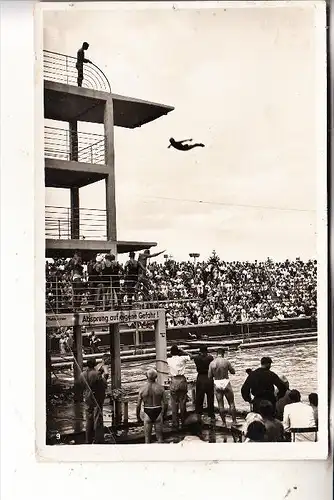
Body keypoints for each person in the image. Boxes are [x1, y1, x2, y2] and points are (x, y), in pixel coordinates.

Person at [79, 358, 108, 444]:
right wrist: (106, 373)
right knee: (98, 417)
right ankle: (99, 439)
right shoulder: (97, 374)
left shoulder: (82, 374)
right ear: (95, 364)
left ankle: (88, 439)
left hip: (87, 396)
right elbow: (104, 384)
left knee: (88, 418)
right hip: (96, 396)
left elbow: (81, 386)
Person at [136, 369, 168, 444]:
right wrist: (164, 414)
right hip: (158, 410)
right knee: (160, 437)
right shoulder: (161, 388)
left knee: (147, 438)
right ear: (156, 377)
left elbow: (138, 405)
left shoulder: (142, 389)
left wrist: (138, 417)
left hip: (147, 411)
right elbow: (166, 403)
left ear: (146, 376)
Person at [167, 344, 193, 428]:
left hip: (174, 380)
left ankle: (175, 423)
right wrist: (183, 351)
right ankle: (183, 421)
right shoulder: (182, 358)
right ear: (179, 352)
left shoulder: (169, 360)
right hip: (182, 380)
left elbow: (166, 356)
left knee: (174, 403)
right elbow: (191, 356)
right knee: (183, 401)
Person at [208, 348, 236, 425]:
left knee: (220, 404)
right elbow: (233, 372)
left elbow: (209, 376)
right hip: (225, 381)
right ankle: (234, 421)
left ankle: (224, 423)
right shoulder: (226, 361)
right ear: (223, 354)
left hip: (217, 382)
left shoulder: (212, 363)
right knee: (231, 403)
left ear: (217, 354)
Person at [193, 346, 215, 422]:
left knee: (199, 398)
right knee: (210, 397)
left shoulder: (196, 358)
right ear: (207, 351)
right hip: (209, 378)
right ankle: (211, 415)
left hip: (200, 378)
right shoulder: (210, 358)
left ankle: (199, 414)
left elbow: (194, 357)